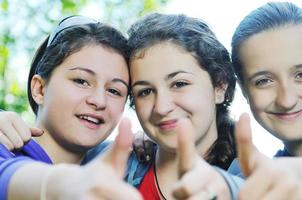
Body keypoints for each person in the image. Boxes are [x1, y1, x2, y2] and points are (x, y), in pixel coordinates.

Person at [0, 15, 142, 200]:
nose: (99, 101)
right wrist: (60, 185)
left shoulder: (125, 172)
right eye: (81, 81)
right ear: (40, 89)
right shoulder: (4, 146)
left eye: (114, 91)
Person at [121, 13, 243, 199]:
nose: (161, 107)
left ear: (220, 86)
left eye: (179, 84)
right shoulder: (115, 172)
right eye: (145, 91)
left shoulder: (259, 183)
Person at [229, 1, 302, 199]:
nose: (286, 100)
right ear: (244, 90)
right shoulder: (258, 184)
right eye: (264, 81)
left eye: (301, 75)